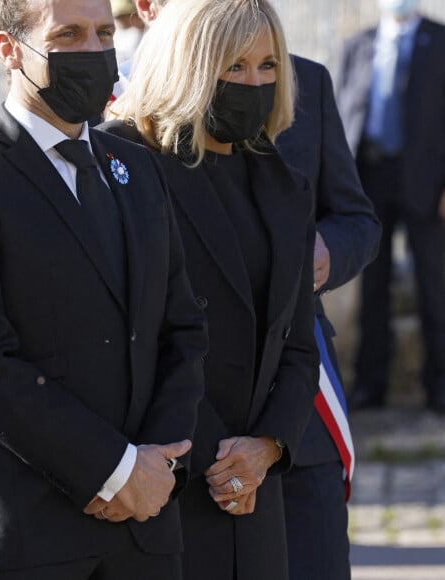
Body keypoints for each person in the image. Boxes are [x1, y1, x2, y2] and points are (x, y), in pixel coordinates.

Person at [0, 0, 208, 578]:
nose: (93, 50)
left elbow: (181, 329)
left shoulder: (136, 170)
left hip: (143, 534)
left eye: (104, 33)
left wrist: (154, 468)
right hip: (20, 536)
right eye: (68, 34)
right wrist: (111, 470)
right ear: (9, 50)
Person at [114, 1, 381, 577]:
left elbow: (355, 221)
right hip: (172, 448)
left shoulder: (283, 159)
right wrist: (220, 450)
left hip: (285, 426)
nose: (255, 82)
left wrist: (267, 444)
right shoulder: (118, 153)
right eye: (235, 67)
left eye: (267, 68)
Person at [276, 56, 381, 580]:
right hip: (190, 410)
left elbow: (355, 218)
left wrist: (328, 252)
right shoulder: (126, 90)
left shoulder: (304, 80)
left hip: (303, 400)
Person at [336, 0, 445, 413]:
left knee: (434, 286)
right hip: (369, 179)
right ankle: (370, 384)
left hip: (426, 182)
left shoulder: (441, 41)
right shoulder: (358, 45)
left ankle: (439, 385)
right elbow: (343, 116)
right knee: (372, 287)